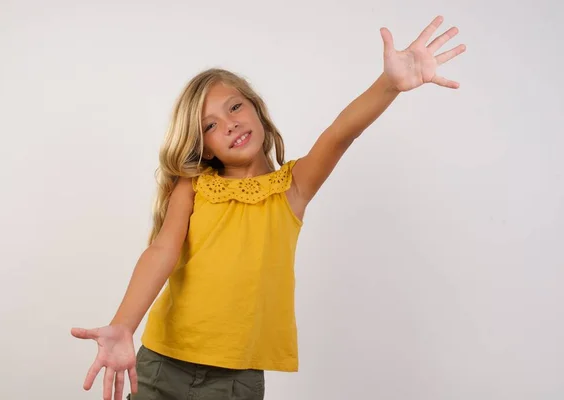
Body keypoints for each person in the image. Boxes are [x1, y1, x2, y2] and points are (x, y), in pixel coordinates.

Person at [71, 15, 465, 400]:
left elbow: (340, 134)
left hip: (234, 381)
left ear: (256, 108)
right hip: (161, 365)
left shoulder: (292, 187)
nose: (228, 124)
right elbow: (162, 251)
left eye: (234, 107)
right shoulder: (192, 186)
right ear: (202, 144)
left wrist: (388, 85)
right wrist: (123, 325)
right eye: (209, 125)